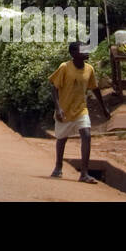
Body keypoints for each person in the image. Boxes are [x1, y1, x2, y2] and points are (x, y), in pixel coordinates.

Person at [49, 41, 110, 183]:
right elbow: (54, 87)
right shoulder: (64, 67)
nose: (86, 52)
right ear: (73, 54)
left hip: (81, 109)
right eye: (83, 50)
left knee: (87, 135)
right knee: (62, 139)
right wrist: (58, 108)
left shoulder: (89, 69)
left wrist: (103, 108)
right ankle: (58, 166)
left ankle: (84, 173)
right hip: (65, 110)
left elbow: (95, 88)